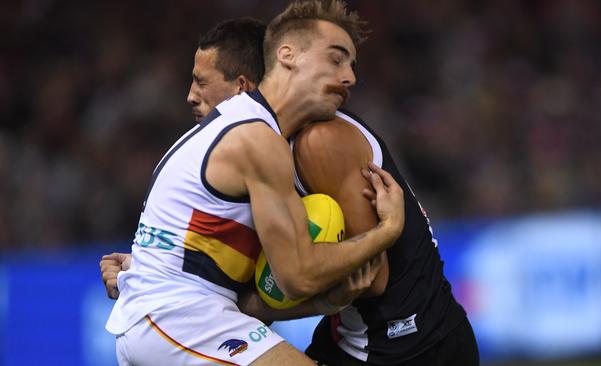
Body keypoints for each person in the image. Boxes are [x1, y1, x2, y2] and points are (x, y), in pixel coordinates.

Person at [102, 6, 479, 366]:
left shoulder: (298, 141)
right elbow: (298, 277)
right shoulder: (259, 141)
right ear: (286, 55)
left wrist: (145, 267)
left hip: (413, 340)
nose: (349, 77)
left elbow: (263, 289)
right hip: (176, 318)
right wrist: (388, 231)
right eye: (335, 59)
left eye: (350, 63)